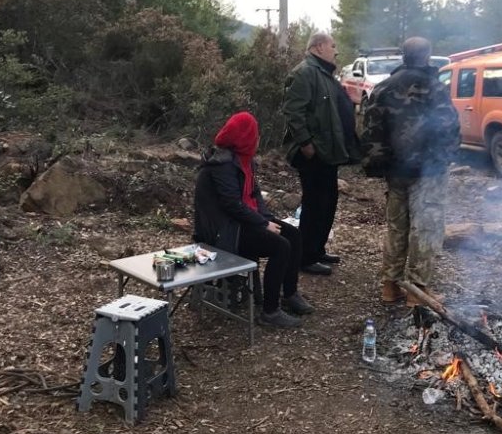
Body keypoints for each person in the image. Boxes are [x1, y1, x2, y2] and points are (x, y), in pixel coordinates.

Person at [361, 37, 460, 304]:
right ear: (427, 56)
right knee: (425, 228)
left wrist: (380, 166)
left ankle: (390, 286)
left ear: (403, 56)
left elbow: (370, 132)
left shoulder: (382, 88)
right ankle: (417, 290)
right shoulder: (434, 88)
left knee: (397, 228)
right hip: (427, 172)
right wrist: (443, 160)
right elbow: (449, 128)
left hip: (396, 173)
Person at [193, 112, 313, 328]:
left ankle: (290, 293)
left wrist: (265, 218)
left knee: (293, 234)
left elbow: (254, 194)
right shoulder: (222, 165)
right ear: (245, 137)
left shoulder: (244, 160)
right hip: (224, 232)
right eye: (255, 134)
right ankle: (270, 311)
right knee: (280, 246)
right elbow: (231, 204)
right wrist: (263, 224)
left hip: (240, 223)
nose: (258, 139)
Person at [282, 33, 360, 275]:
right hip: (314, 153)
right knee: (315, 204)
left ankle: (317, 249)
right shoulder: (305, 72)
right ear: (317, 47)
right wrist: (306, 144)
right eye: (332, 46)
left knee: (328, 202)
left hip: (329, 152)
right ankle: (305, 257)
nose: (336, 51)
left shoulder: (324, 73)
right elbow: (294, 111)